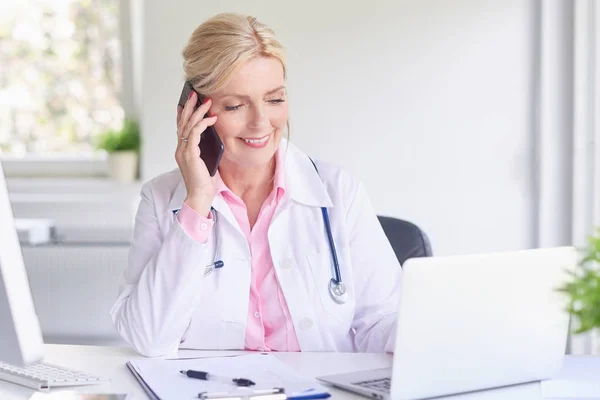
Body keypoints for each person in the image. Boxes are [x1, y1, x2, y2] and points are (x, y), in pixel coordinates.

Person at [110, 12, 402, 357]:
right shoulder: (161, 200)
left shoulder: (340, 192)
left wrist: (438, 338)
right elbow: (149, 338)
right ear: (193, 111)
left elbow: (383, 321)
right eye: (235, 105)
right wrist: (198, 201)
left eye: (275, 99)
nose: (261, 123)